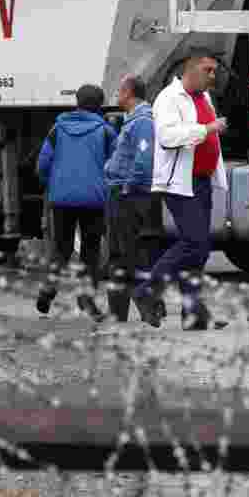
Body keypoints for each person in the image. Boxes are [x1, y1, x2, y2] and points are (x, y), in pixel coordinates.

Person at [134, 47, 229, 331]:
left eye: (214, 70)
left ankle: (193, 312)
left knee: (200, 249)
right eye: (207, 70)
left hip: (201, 179)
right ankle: (147, 290)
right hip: (179, 183)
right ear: (189, 70)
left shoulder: (204, 97)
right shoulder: (169, 98)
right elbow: (167, 136)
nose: (212, 75)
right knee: (193, 242)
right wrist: (207, 129)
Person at [36, 83, 117, 320]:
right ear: (99, 106)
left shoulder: (57, 129)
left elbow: (43, 163)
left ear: (77, 103)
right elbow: (115, 165)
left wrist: (52, 185)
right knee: (90, 252)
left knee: (61, 248)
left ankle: (48, 289)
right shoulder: (105, 132)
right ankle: (87, 299)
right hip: (93, 200)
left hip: (61, 199)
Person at [103, 73, 157, 322]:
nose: (117, 95)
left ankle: (149, 307)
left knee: (128, 254)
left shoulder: (142, 121)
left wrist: (127, 186)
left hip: (128, 195)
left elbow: (144, 161)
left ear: (128, 93)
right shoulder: (132, 120)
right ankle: (117, 312)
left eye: (120, 90)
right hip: (121, 192)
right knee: (118, 254)